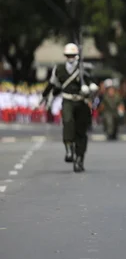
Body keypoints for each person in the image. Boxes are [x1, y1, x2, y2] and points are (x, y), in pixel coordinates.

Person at [40, 43, 98, 172]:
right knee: (67, 122)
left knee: (81, 132)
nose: (70, 58)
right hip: (68, 101)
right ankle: (69, 150)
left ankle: (79, 159)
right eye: (68, 55)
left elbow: (93, 84)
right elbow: (52, 84)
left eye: (72, 55)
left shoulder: (84, 68)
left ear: (77, 56)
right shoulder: (59, 69)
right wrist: (44, 96)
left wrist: (90, 89)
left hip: (82, 101)